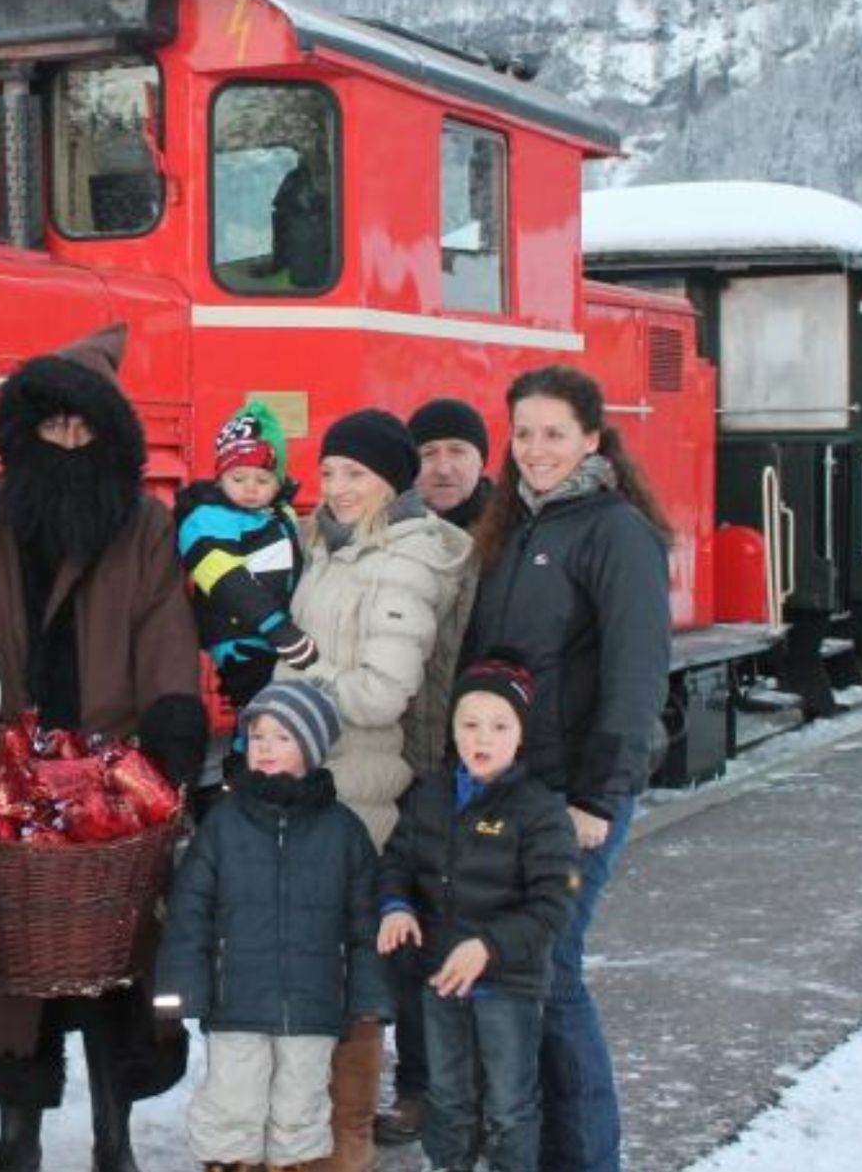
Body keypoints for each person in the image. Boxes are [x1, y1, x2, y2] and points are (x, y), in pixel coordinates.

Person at [0, 325, 207, 1172]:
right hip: (6, 770)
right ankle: (20, 1139)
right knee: (17, 976)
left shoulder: (143, 523)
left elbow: (161, 621)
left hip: (114, 779)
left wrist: (172, 718)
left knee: (115, 976)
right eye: (54, 425)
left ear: (108, 434)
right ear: (27, 428)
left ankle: (114, 1139)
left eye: (85, 427)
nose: (69, 441)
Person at [462, 365, 672, 1172]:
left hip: (573, 794)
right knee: (521, 977)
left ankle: (586, 1158)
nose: (536, 448)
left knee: (549, 972)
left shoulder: (614, 531)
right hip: (513, 790)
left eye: (554, 433)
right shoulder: (515, 527)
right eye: (522, 434)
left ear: (592, 437)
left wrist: (597, 794)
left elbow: (635, 672)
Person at [288, 407, 473, 1172]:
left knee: (344, 973)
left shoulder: (404, 559)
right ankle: (314, 1138)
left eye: (354, 473)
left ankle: (346, 1144)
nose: (336, 487)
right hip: (315, 777)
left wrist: (294, 671)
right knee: (315, 968)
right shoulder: (334, 549)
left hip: (359, 785)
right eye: (328, 471)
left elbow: (378, 693)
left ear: (389, 480)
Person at [155, 681, 389, 1172]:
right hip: (237, 1002)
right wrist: (180, 989)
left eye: (282, 737)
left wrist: (368, 998)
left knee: (300, 1110)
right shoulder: (223, 824)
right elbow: (190, 910)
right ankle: (228, 1164)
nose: (265, 747)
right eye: (258, 736)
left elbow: (365, 924)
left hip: (313, 1007)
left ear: (311, 748)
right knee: (231, 1105)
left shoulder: (343, 832)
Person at [378, 654, 579, 1172]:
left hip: (506, 984)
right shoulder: (431, 796)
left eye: (498, 725)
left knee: (510, 1103)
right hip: (440, 979)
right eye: (469, 724)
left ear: (520, 735)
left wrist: (488, 947)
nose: (481, 738)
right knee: (446, 1096)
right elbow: (398, 861)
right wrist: (396, 905)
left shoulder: (540, 811)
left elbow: (553, 903)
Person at [379, 396, 494, 1147]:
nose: (443, 466)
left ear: (484, 458)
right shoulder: (397, 539)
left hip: (482, 772)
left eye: (458, 449)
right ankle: (420, 1087)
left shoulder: (507, 537)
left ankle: (482, 1090)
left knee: (478, 936)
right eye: (429, 452)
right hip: (410, 770)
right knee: (408, 938)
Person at [175, 401, 318, 715]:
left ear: (279, 481)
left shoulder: (281, 514)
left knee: (280, 718)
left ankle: (259, 761)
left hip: (277, 633)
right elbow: (228, 581)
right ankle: (246, 763)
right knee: (262, 714)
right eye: (238, 479)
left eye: (263, 480)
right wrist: (278, 627)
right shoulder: (205, 519)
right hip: (240, 638)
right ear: (220, 475)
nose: (250, 489)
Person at [409, 398, 494, 530]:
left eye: (457, 452)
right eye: (429, 454)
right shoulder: (382, 532)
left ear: (481, 462)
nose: (443, 470)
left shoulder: (514, 533)